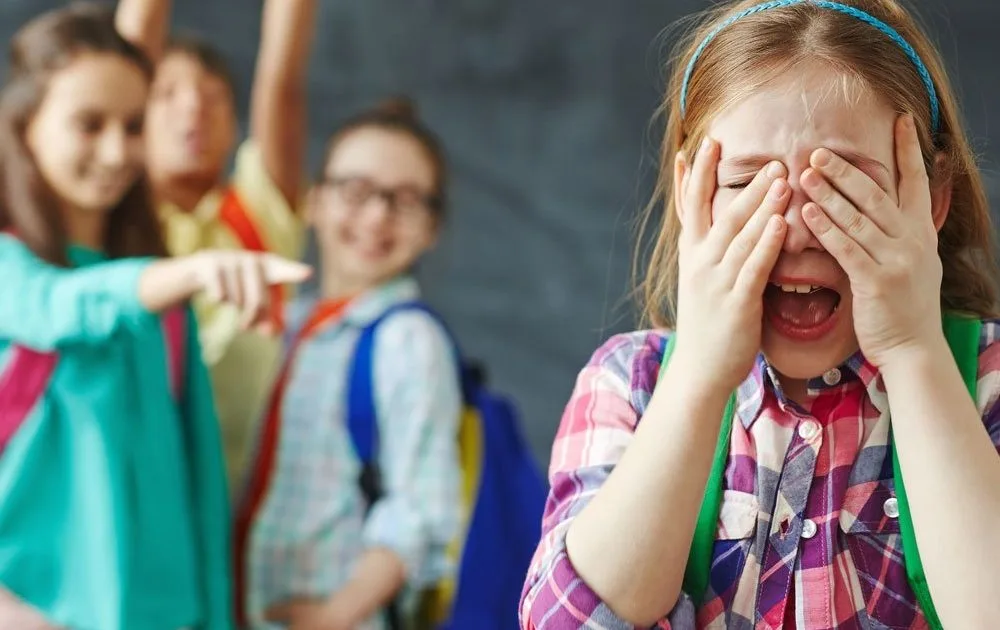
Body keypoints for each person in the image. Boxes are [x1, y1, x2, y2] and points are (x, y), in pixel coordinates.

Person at [520, 0, 1000, 628]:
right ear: (694, 199)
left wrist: (913, 351)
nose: (798, 230)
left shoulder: (985, 378)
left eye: (846, 188)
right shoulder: (630, 383)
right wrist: (696, 374)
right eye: (748, 186)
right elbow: (566, 621)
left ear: (931, 201)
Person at [0, 4, 309, 629]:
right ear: (26, 125)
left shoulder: (164, 312)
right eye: (89, 124)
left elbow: (198, 494)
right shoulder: (17, 269)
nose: (116, 150)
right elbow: (61, 306)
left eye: (135, 125)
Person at [235, 99, 462, 630]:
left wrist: (334, 616)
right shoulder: (286, 321)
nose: (377, 216)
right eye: (355, 191)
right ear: (314, 201)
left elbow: (422, 511)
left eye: (405, 201)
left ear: (432, 228)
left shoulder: (409, 340)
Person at [115, 0, 316, 489]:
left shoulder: (257, 214)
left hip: (238, 506)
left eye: (215, 96)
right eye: (166, 94)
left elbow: (281, 78)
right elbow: (125, 52)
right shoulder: (117, 215)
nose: (194, 110)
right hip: (129, 486)